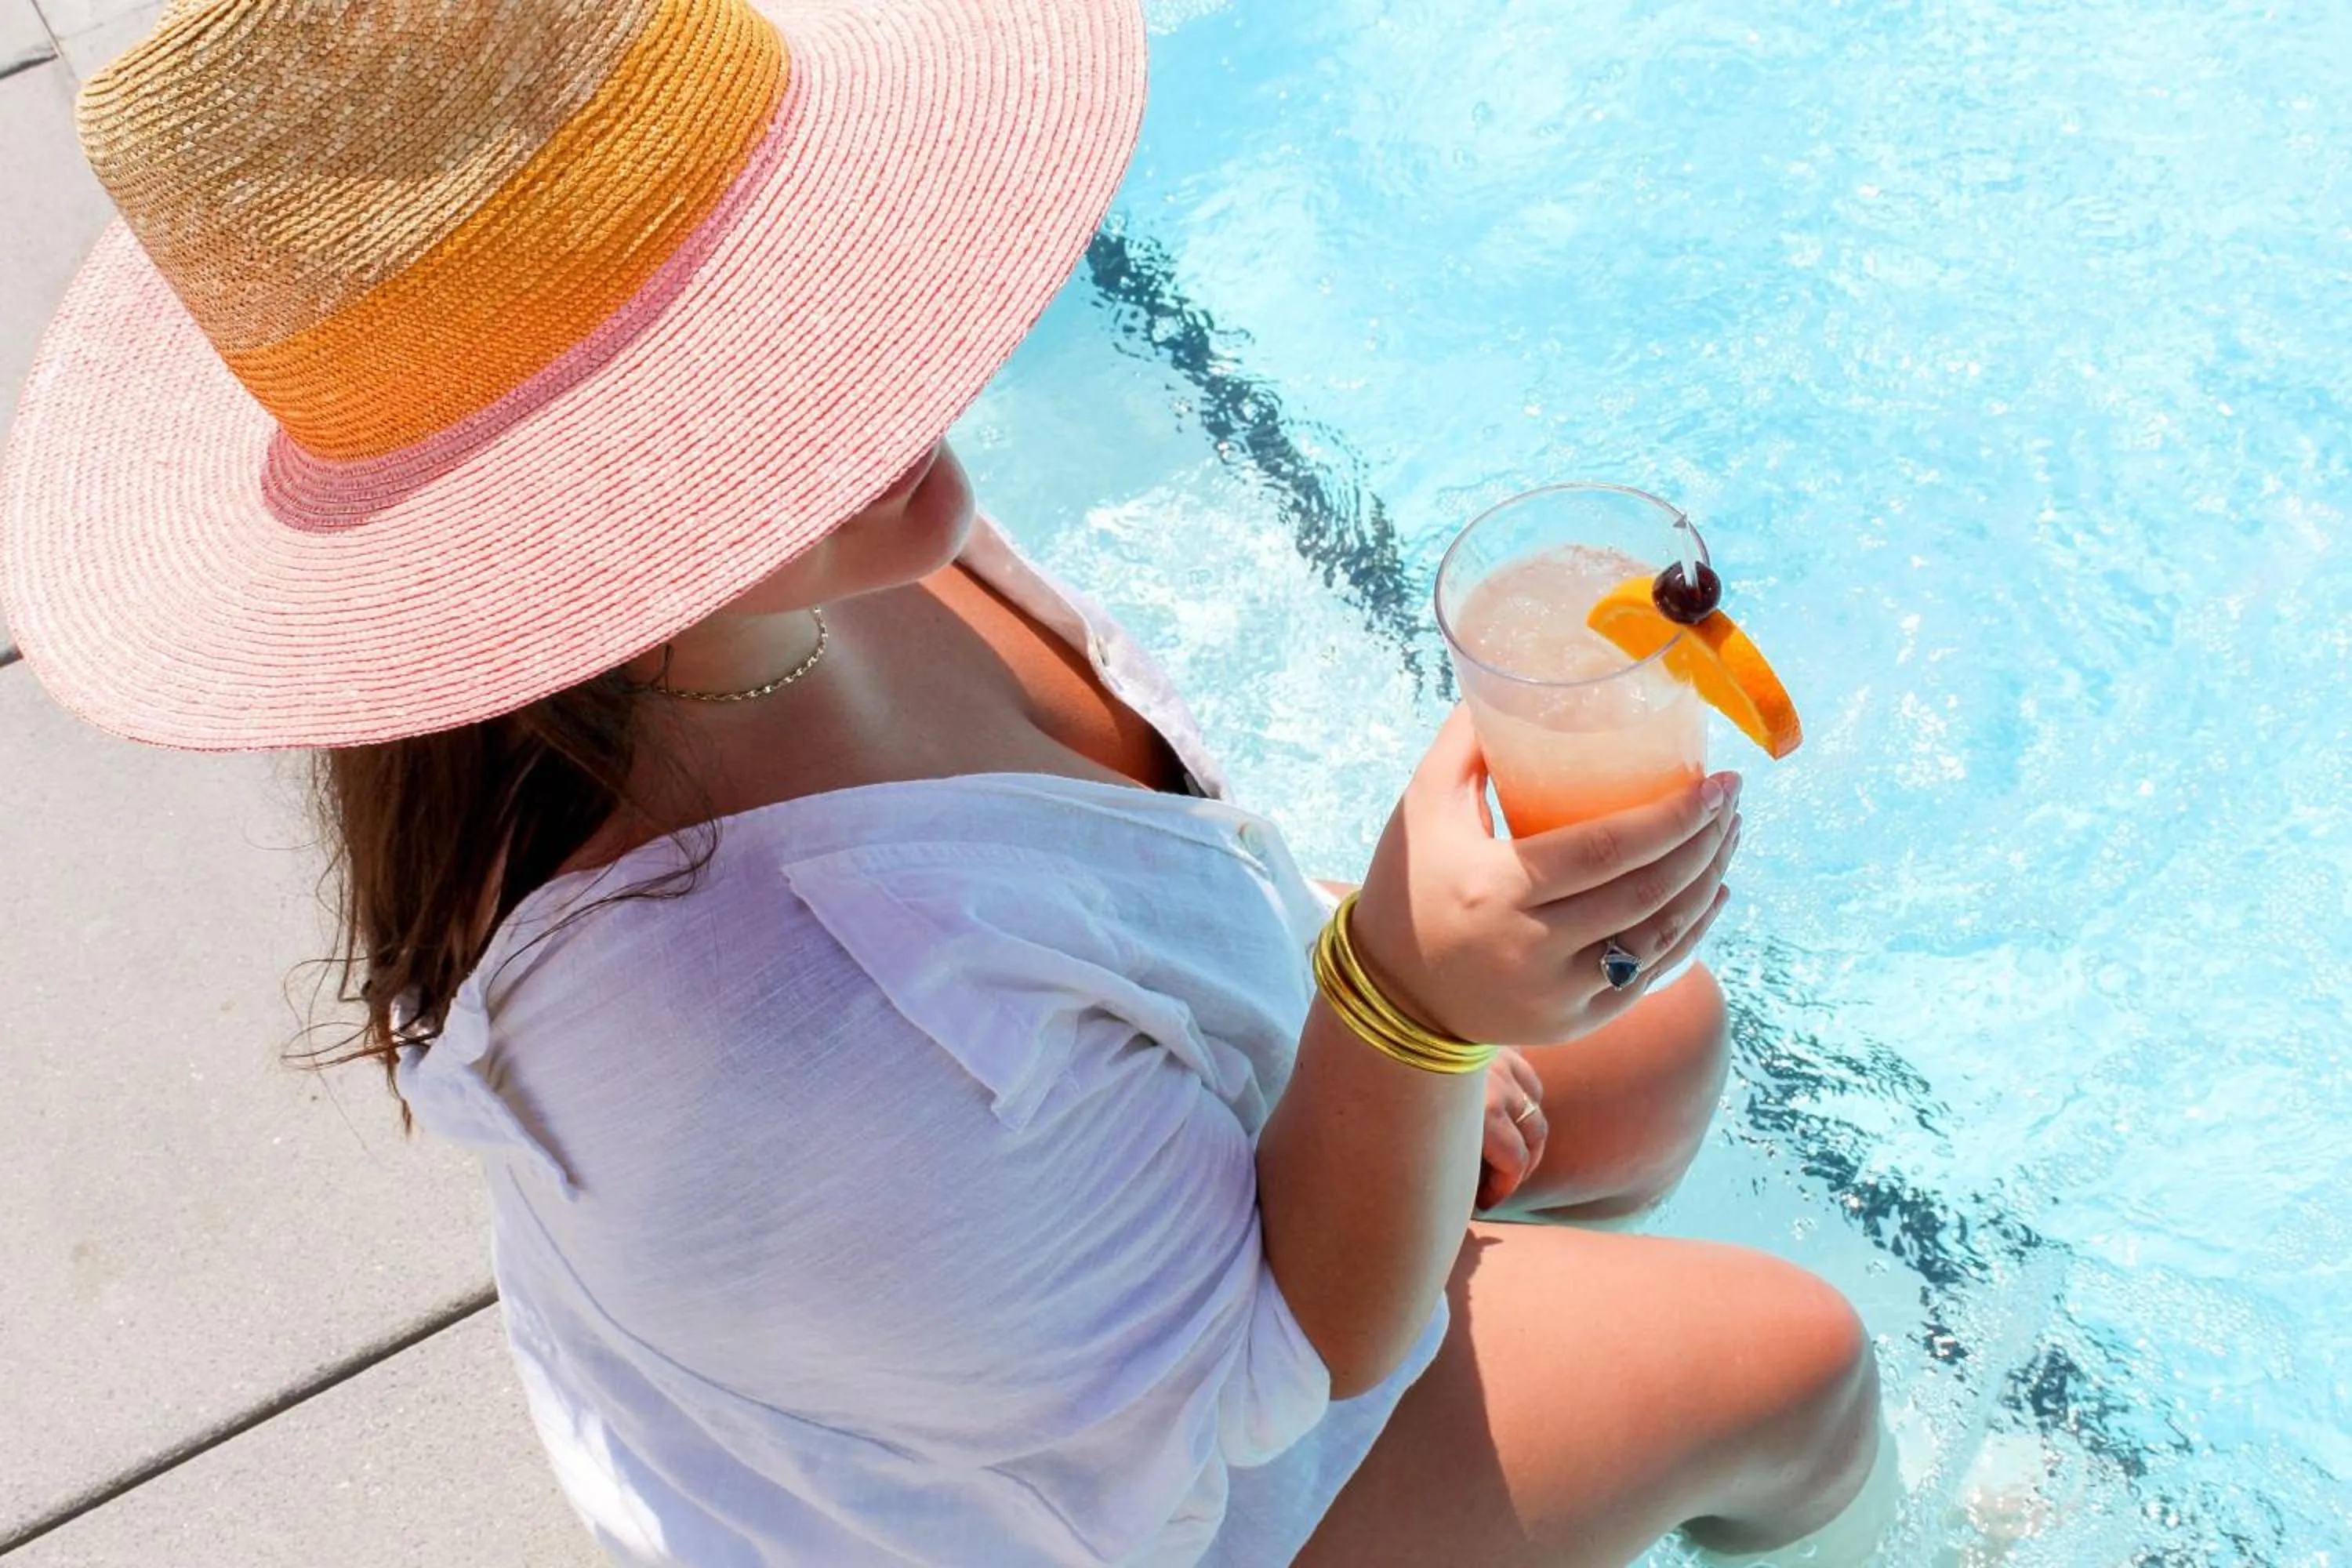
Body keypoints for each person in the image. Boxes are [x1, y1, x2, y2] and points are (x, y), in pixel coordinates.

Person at [0, 0, 1896, 1562]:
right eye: (770, 349)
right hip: (1112, 1495)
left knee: (1665, 1051)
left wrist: (1371, 1008)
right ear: (575, 511)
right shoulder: (802, 1072)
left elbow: (1091, 905)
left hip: (1058, 1272)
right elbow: (1276, 1355)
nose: (904, 343)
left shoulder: (760, 599)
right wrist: (1398, 1023)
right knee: (1790, 1369)